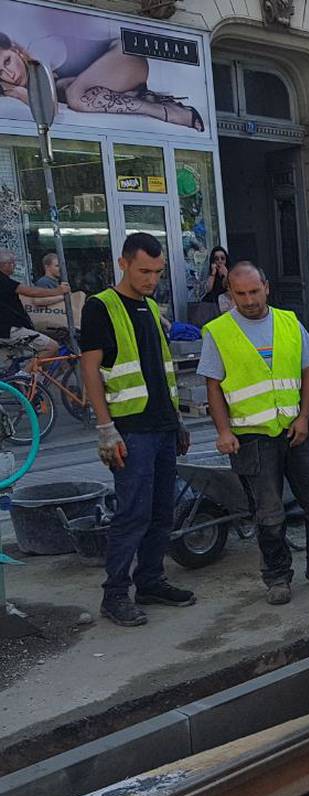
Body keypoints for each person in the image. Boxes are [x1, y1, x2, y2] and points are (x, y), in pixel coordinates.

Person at [80, 232, 195, 627]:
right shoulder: (101, 307)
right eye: (145, 271)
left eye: (158, 272)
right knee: (132, 513)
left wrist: (176, 420)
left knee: (162, 511)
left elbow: (162, 372)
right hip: (131, 430)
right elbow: (90, 370)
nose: (151, 279)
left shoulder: (149, 307)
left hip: (161, 426)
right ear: (123, 263)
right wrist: (105, 428)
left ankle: (150, 580)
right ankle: (115, 595)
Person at [200, 262, 309, 606]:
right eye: (240, 294)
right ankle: (277, 577)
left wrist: (303, 418)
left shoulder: (288, 322)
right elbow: (213, 387)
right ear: (230, 295)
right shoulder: (218, 331)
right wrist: (223, 431)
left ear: (266, 287)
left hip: (294, 431)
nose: (249, 300)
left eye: (254, 291)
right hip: (252, 436)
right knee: (269, 513)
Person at [0, 31, 203, 130]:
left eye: (7, 61)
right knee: (66, 87)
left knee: (75, 97)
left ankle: (168, 112)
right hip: (122, 78)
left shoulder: (39, 50)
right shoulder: (35, 78)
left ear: (16, 49)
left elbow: (49, 110)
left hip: (125, 55)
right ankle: (145, 97)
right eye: (0, 72)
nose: (9, 74)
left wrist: (18, 92)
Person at [0, 248, 65, 369]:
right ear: (5, 265)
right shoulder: (3, 280)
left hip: (6, 332)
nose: (14, 266)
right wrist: (58, 291)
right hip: (10, 330)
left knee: (11, 366)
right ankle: (24, 376)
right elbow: (30, 291)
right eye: (12, 263)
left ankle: (18, 382)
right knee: (52, 347)